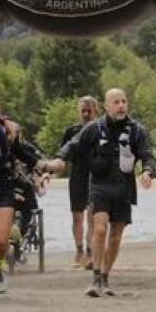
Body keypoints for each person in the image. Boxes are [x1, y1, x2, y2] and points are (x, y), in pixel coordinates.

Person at [49, 88, 156, 297]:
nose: (121, 105)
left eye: (124, 101)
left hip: (124, 187)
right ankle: (96, 276)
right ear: (106, 106)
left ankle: (105, 277)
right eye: (116, 102)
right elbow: (73, 145)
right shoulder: (94, 128)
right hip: (99, 185)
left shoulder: (137, 130)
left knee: (116, 236)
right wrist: (60, 159)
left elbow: (147, 155)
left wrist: (147, 172)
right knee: (99, 229)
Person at [0, 92, 58, 299]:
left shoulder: (7, 133)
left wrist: (44, 165)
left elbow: (23, 153)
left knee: (0, 240)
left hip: (3, 189)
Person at [59, 96, 99, 270]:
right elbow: (63, 156)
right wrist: (50, 173)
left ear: (96, 111)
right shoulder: (71, 130)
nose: (86, 114)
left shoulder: (101, 129)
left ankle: (90, 252)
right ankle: (79, 250)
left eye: (89, 111)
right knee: (77, 216)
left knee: (92, 216)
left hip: (95, 176)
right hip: (76, 176)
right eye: (83, 110)